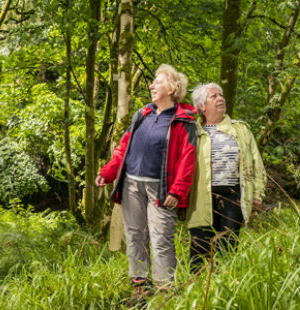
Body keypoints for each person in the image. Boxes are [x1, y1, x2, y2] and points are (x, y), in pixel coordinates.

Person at [96, 64, 197, 298]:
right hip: (131, 184)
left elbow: (187, 158)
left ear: (172, 88)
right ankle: (140, 285)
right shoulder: (142, 114)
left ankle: (164, 289)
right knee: (135, 235)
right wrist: (108, 172)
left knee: (161, 237)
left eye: (158, 82)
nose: (152, 86)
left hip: (161, 189)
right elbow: (123, 149)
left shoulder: (184, 120)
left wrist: (177, 191)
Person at [185, 83, 265, 273]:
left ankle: (225, 290)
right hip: (200, 198)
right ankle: (196, 293)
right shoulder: (191, 132)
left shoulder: (241, 129)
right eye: (214, 96)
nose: (221, 99)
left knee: (228, 248)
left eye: (221, 95)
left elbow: (256, 163)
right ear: (202, 106)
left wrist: (258, 194)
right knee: (199, 248)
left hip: (232, 196)